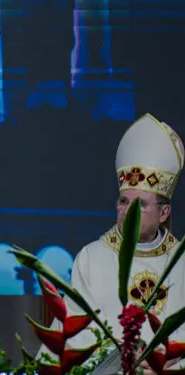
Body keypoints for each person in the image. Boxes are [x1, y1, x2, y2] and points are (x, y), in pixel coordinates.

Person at [67, 114, 185, 346]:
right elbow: (77, 332)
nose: (128, 211)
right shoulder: (91, 259)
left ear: (164, 213)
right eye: (123, 202)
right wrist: (125, 361)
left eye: (140, 204)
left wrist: (166, 359)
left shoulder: (181, 262)